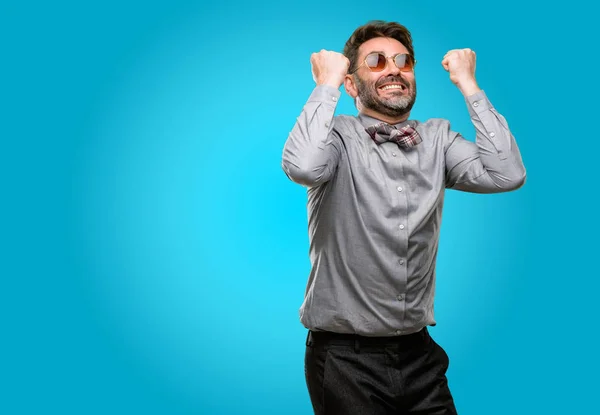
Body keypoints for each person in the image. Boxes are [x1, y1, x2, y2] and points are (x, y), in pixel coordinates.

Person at [281, 20, 526, 415]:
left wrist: (469, 85)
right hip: (346, 360)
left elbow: (507, 173)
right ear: (352, 83)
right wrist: (325, 83)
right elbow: (303, 167)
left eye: (404, 61)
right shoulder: (337, 139)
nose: (394, 69)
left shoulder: (439, 139)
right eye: (376, 61)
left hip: (419, 355)